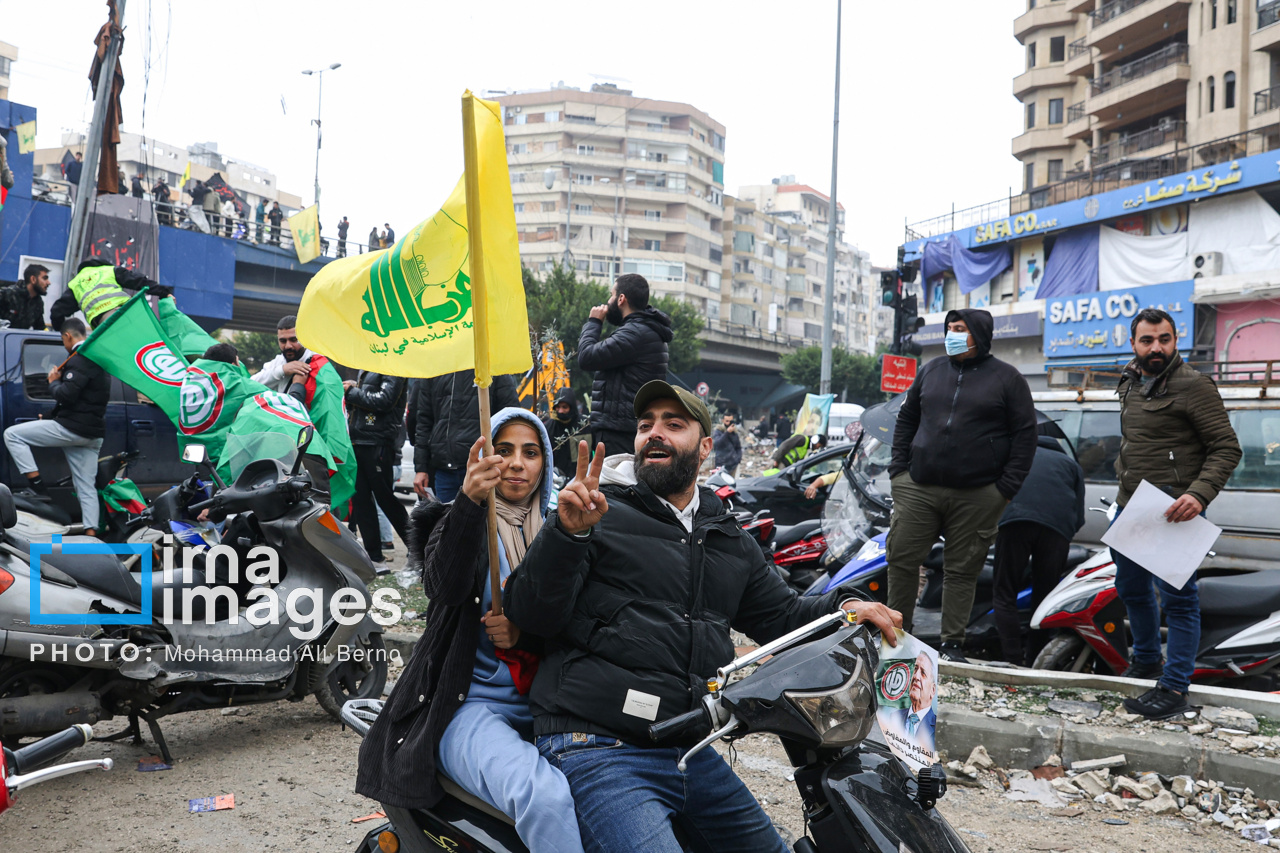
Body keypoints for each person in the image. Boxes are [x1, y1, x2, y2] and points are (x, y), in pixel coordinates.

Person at [501, 380, 901, 853]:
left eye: (674, 424)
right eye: (646, 424)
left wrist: (844, 607)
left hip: (686, 751)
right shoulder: (596, 511)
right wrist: (566, 536)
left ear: (705, 446)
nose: (655, 433)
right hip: (595, 745)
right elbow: (530, 614)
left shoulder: (726, 534)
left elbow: (784, 615)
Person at [356, 409, 585, 852]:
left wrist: (523, 637)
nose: (517, 463)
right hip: (468, 708)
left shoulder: (566, 529)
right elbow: (442, 586)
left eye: (530, 452)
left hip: (551, 708)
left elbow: (579, 623)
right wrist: (467, 503)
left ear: (545, 465)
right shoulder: (463, 519)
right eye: (504, 451)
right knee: (546, 799)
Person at [885, 308, 1037, 663]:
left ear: (980, 336)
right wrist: (898, 471)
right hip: (919, 486)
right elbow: (907, 419)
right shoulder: (931, 370)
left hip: (978, 494)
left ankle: (952, 644)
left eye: (960, 329)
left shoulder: (1008, 378)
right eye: (950, 328)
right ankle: (894, 634)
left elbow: (1025, 437)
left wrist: (1004, 489)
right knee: (902, 557)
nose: (951, 334)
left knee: (961, 570)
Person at [1112, 309, 1241, 720]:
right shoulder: (1131, 380)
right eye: (1148, 340)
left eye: (1164, 339)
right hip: (1130, 507)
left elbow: (1226, 448)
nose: (1156, 348)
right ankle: (1147, 660)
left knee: (1179, 603)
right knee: (1131, 591)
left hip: (1174, 511)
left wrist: (1199, 495)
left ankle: (1174, 685)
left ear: (1175, 341)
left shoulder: (1194, 386)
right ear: (1134, 343)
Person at [3, 318, 109, 536]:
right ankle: (92, 536)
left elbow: (66, 396)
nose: (64, 344)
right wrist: (49, 416)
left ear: (67, 336)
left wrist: (53, 381)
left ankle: (37, 487)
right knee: (86, 488)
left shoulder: (79, 360)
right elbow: (79, 401)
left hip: (72, 430)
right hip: (92, 435)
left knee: (12, 435)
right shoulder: (98, 361)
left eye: (63, 340)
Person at [992, 432, 1086, 667]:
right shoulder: (1071, 465)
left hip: (1015, 524)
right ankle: (1034, 660)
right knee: (1045, 597)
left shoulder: (1013, 457)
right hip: (1057, 531)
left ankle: (1012, 659)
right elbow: (1079, 516)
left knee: (1005, 593)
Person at [577, 274, 674, 457]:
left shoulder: (634, 333)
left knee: (614, 483)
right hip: (627, 427)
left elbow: (586, 357)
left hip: (619, 431)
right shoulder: (644, 330)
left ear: (621, 299)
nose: (608, 300)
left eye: (612, 295)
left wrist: (594, 322)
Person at [413, 369, 521, 504]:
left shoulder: (492, 367)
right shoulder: (436, 367)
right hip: (445, 470)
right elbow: (423, 422)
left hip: (483, 468)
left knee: (482, 522)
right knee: (446, 522)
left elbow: (510, 419)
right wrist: (421, 469)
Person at [344, 370, 410, 571]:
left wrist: (351, 392)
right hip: (358, 440)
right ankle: (374, 557)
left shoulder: (392, 363)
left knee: (386, 499)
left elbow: (385, 400)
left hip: (378, 442)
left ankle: (420, 549)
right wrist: (354, 388)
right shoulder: (368, 364)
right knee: (361, 500)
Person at [50, 259, 167, 331]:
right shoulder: (108, 270)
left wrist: (62, 332)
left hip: (104, 323)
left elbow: (56, 312)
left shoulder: (76, 284)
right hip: (129, 311)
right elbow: (139, 281)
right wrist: (164, 292)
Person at [889, 652, 937, 747]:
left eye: (923, 673)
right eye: (915, 669)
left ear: (933, 690)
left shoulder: (936, 726)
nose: (916, 676)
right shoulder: (894, 717)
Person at [541, 387, 584, 476]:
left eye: (565, 407)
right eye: (558, 407)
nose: (560, 411)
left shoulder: (584, 426)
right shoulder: (548, 427)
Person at [0, 264, 51, 330]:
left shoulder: (38, 302)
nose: (48, 282)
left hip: (19, 339)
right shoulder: (7, 294)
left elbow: (40, 328)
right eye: (45, 278)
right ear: (33, 279)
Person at [712, 412, 742, 477]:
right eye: (727, 421)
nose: (729, 423)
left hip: (733, 464)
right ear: (723, 421)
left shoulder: (735, 433)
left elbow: (738, 447)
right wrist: (727, 432)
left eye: (730, 421)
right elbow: (717, 443)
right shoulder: (718, 430)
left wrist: (738, 459)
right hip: (721, 464)